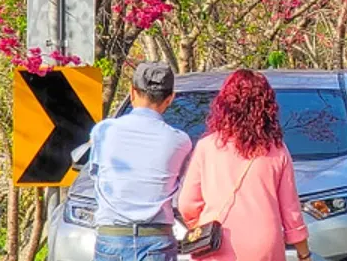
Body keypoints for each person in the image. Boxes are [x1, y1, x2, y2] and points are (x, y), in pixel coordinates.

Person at [179, 70, 310, 261]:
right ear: (267, 108)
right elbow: (291, 212)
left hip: (216, 243)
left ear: (225, 105)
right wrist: (304, 254)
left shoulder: (207, 147)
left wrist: (200, 225)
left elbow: (187, 203)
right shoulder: (277, 151)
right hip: (264, 245)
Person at [91, 62, 193, 261]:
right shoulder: (180, 141)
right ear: (170, 98)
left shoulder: (103, 131)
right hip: (157, 240)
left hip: (112, 238)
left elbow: (96, 174)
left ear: (132, 92)